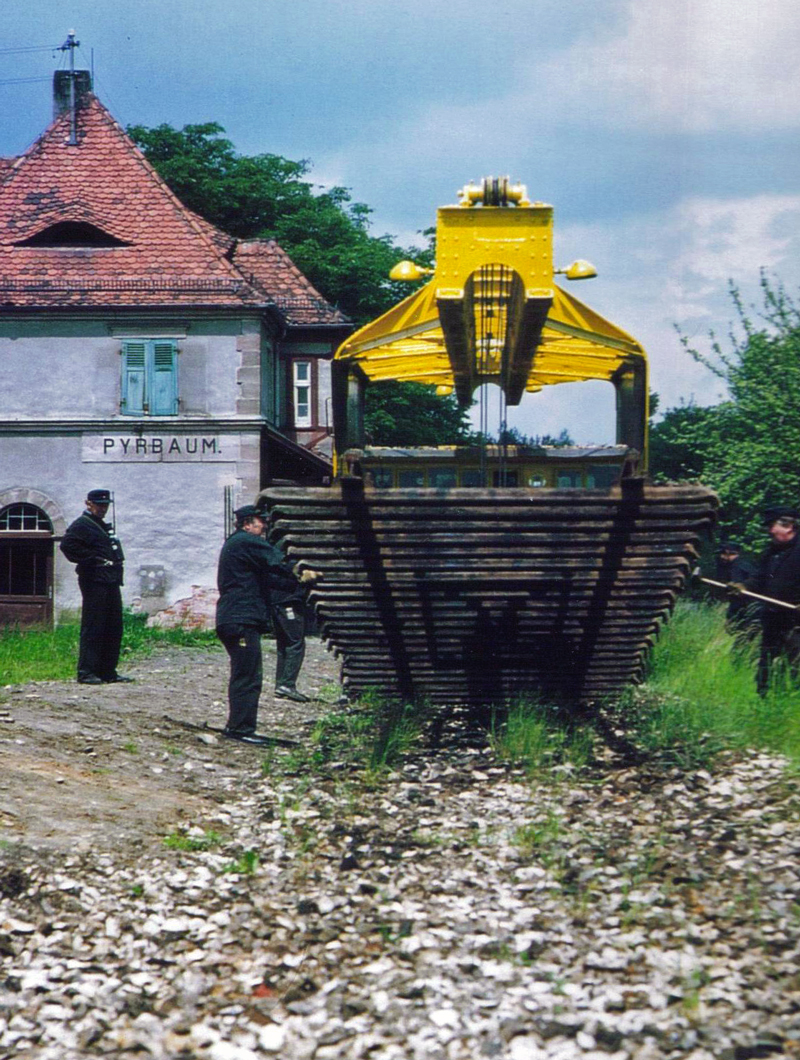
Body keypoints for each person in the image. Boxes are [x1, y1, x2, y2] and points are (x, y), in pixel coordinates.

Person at [215, 505, 319, 745]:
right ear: (247, 523)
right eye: (261, 522)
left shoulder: (241, 547)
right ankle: (240, 729)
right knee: (248, 675)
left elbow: (272, 579)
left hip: (237, 618)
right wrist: (300, 568)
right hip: (240, 619)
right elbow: (277, 560)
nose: (263, 527)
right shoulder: (245, 541)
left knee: (247, 673)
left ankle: (239, 725)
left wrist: (299, 583)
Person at [60, 488, 131, 685]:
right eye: (99, 505)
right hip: (94, 581)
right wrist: (93, 560)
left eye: (105, 505)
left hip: (110, 580)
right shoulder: (82, 524)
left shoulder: (100, 525)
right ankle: (87, 671)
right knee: (94, 626)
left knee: (113, 626)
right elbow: (67, 546)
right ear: (88, 504)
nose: (103, 508)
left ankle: (108, 671)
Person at [744, 505, 800, 695]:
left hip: (796, 621)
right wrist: (743, 587)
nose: (769, 531)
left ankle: (791, 703)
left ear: (788, 526)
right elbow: (758, 578)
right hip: (773, 618)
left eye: (772, 526)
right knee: (766, 664)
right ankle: (764, 700)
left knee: (795, 665)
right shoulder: (772, 552)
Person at [714, 540, 757, 630]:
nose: (721, 557)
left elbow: (737, 590)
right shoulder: (745, 564)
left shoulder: (736, 567)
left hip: (744, 607)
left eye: (722, 553)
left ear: (727, 553)